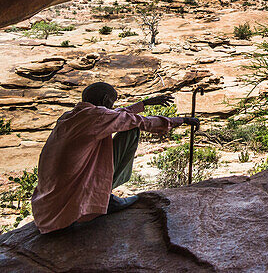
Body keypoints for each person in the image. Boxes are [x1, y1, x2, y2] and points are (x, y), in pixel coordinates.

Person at [31, 82, 198, 233]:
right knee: (131, 129)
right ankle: (104, 197)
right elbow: (140, 122)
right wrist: (182, 120)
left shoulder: (70, 116)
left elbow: (114, 115)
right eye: (112, 102)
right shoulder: (97, 116)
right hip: (72, 195)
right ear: (105, 99)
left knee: (121, 126)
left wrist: (144, 103)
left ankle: (101, 195)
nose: (112, 106)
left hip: (48, 205)